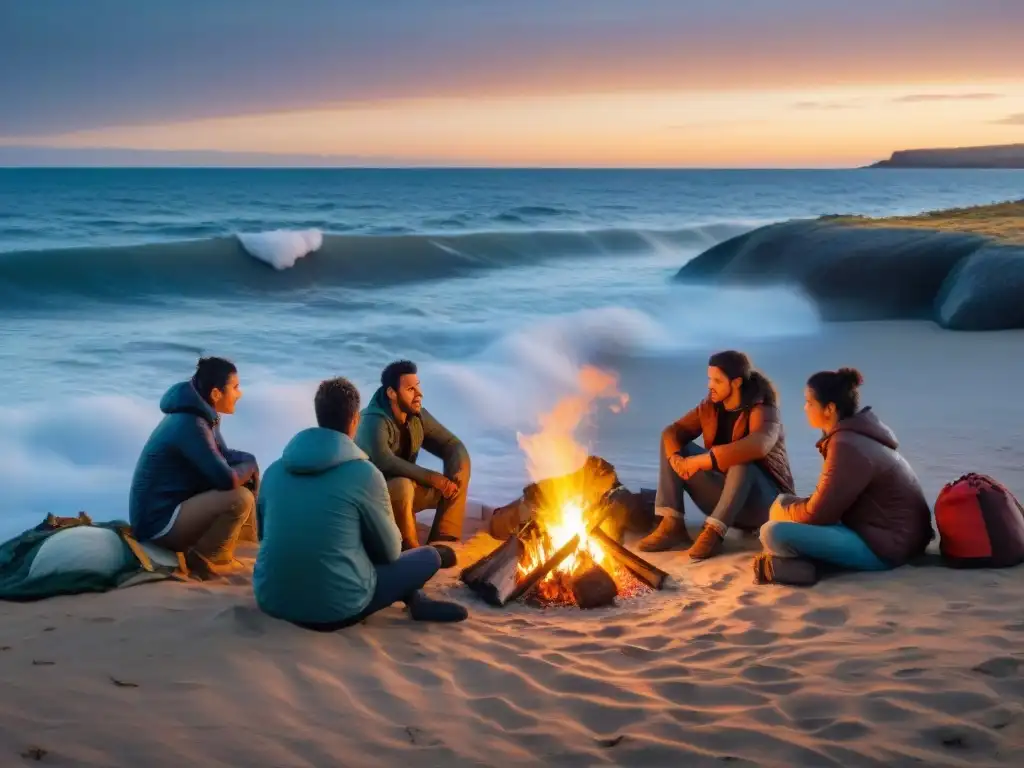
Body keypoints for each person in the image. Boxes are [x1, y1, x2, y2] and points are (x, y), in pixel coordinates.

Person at [253, 377, 467, 629]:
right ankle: (415, 596)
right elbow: (390, 552)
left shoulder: (274, 471)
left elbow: (263, 536)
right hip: (337, 609)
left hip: (272, 599)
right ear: (355, 420)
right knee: (429, 557)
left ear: (319, 414)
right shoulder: (365, 474)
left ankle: (414, 597)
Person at [761, 368, 933, 571]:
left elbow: (819, 514)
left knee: (773, 532)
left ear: (829, 409)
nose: (805, 408)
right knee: (784, 502)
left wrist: (783, 511)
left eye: (809, 402)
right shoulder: (854, 437)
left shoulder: (846, 445)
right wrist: (787, 507)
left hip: (884, 548)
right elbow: (828, 503)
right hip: (882, 534)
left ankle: (808, 566)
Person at [640, 350, 795, 559]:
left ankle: (714, 533)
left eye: (717, 380)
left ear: (736, 382)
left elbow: (758, 445)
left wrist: (702, 461)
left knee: (741, 461)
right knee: (674, 443)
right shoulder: (710, 406)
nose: (709, 385)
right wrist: (676, 460)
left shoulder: (764, 409)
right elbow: (673, 431)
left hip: (765, 505)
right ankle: (672, 523)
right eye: (709, 379)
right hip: (725, 498)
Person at [129, 357, 258, 576]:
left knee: (243, 476)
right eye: (235, 387)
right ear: (216, 393)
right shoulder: (191, 424)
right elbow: (227, 478)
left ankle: (247, 545)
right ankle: (212, 560)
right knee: (239, 497)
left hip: (174, 511)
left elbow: (223, 457)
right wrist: (250, 466)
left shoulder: (202, 415)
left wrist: (250, 463)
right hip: (158, 526)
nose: (240, 393)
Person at [356, 360, 471, 551]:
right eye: (410, 389)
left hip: (403, 496)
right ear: (392, 393)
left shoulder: (416, 417)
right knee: (403, 485)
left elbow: (452, 445)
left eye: (418, 386)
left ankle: (444, 538)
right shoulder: (372, 421)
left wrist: (457, 467)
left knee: (456, 476)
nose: (419, 394)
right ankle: (410, 550)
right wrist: (432, 478)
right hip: (369, 502)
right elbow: (384, 461)